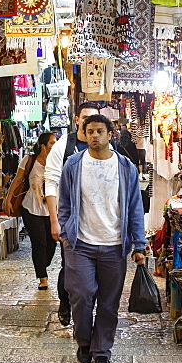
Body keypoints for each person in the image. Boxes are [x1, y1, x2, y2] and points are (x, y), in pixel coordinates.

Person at [57, 115, 147, 363]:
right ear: (84, 134)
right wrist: (65, 233)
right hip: (80, 244)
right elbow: (64, 203)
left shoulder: (126, 167)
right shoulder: (74, 165)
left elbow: (134, 207)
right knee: (81, 295)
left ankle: (102, 349)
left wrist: (138, 244)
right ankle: (84, 341)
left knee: (109, 303)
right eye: (90, 131)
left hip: (114, 245)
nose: (94, 135)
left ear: (110, 134)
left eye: (99, 131)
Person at [43, 102, 104, 326]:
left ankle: (88, 307)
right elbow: (50, 183)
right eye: (85, 117)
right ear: (76, 119)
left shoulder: (105, 145)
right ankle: (66, 302)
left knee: (97, 266)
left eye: (94, 118)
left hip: (100, 219)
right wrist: (54, 220)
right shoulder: (63, 146)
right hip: (70, 220)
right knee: (70, 264)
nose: (90, 123)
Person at [4, 132, 57, 290]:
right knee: (39, 243)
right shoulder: (29, 160)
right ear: (43, 146)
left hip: (51, 210)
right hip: (31, 207)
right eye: (52, 143)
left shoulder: (57, 162)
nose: (55, 146)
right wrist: (8, 199)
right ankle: (43, 277)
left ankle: (43, 264)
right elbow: (18, 179)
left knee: (51, 243)